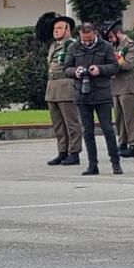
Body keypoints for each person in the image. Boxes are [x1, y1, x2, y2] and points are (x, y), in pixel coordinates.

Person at [64, 22, 123, 175]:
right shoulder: (73, 48)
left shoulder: (106, 47)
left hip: (101, 94)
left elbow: (114, 66)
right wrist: (75, 71)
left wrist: (100, 69)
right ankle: (92, 165)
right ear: (80, 36)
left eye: (90, 40)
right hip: (82, 94)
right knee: (88, 131)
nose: (87, 43)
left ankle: (115, 163)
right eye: (85, 40)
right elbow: (66, 68)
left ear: (95, 34)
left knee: (108, 130)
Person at [37, 12, 83, 167]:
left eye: (60, 28)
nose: (56, 31)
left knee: (71, 123)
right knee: (58, 124)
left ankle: (74, 152)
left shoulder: (72, 45)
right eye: (55, 28)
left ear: (68, 30)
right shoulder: (53, 45)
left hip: (66, 86)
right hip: (52, 88)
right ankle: (62, 151)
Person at [105, 22, 134, 158]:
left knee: (129, 117)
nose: (110, 39)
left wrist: (116, 60)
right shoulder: (114, 46)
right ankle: (122, 142)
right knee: (119, 117)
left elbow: (129, 64)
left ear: (118, 33)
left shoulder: (130, 45)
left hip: (127, 85)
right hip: (116, 85)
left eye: (111, 36)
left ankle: (133, 145)